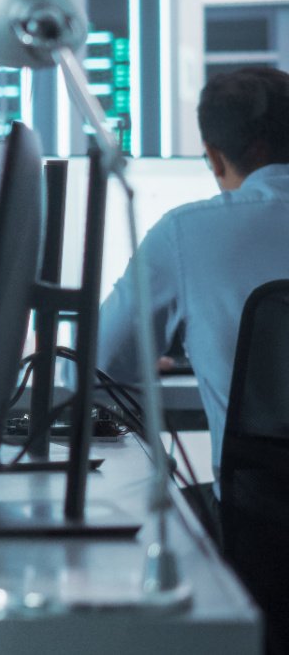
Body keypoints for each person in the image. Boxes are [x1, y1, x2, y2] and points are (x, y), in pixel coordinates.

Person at [99, 65, 289, 482]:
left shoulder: (184, 232)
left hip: (260, 525)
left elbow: (99, 364)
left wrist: (157, 354)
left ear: (216, 157)